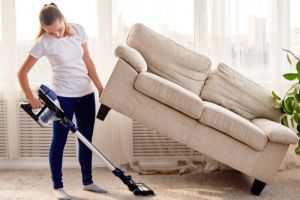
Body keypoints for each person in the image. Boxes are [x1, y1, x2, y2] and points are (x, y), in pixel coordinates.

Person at [17, 3, 106, 200]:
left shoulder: (78, 30)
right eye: (51, 32)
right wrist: (30, 98)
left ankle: (88, 181)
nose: (56, 34)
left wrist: (100, 86)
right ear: (44, 29)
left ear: (63, 19)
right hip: (63, 97)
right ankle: (57, 186)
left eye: (58, 29)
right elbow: (22, 72)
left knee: (86, 139)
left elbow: (88, 61)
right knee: (59, 141)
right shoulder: (43, 42)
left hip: (85, 94)